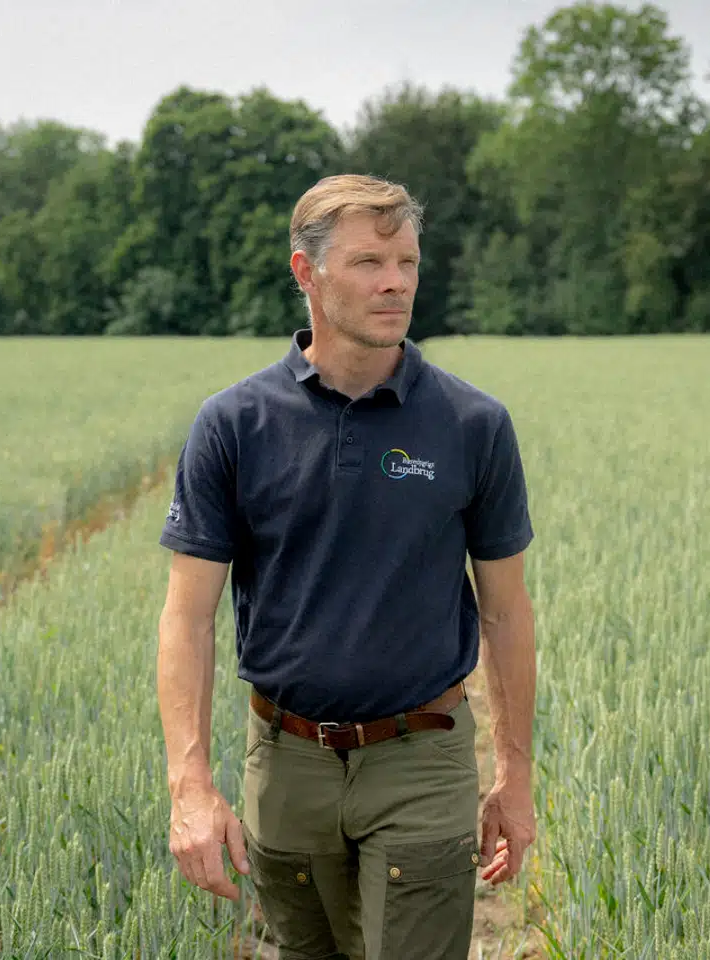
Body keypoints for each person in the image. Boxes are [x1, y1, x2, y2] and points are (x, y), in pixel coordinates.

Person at [156, 173, 537, 960]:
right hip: (285, 766)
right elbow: (187, 616)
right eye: (370, 262)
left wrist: (515, 776)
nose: (396, 282)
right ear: (307, 272)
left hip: (422, 759)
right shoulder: (234, 424)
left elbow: (505, 611)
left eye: (407, 261)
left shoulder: (473, 425)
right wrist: (189, 786)